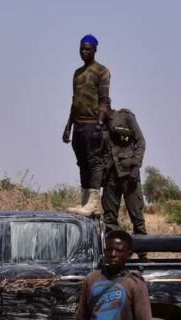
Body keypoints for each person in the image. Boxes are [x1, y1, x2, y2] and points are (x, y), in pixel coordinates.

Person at [63, 33, 111, 216]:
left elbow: (104, 100)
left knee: (94, 162)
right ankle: (84, 201)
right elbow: (74, 101)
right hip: (78, 124)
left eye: (87, 49)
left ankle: (94, 202)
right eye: (81, 48)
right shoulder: (77, 73)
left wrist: (99, 124)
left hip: (93, 124)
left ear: (95, 50)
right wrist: (68, 125)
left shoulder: (102, 71)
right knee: (82, 162)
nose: (84, 52)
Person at [101, 108, 148, 258]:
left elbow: (141, 142)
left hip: (128, 174)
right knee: (109, 219)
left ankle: (142, 256)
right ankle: (116, 256)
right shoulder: (100, 125)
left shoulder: (125, 117)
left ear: (105, 105)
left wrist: (136, 167)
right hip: (109, 175)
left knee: (137, 217)